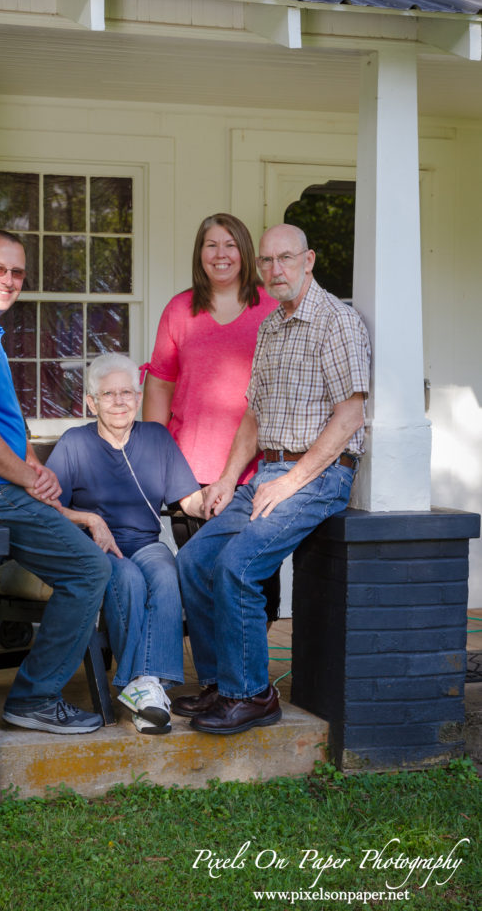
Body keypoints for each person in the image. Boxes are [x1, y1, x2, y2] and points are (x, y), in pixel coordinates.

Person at [174, 223, 371, 736]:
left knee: (238, 564)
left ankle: (253, 696)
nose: (273, 270)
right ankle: (222, 684)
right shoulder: (271, 326)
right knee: (196, 560)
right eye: (265, 261)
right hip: (268, 470)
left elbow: (350, 417)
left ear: (309, 260)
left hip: (320, 475)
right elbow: (253, 417)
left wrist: (290, 483)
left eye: (285, 258)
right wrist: (226, 480)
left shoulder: (337, 322)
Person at [0, 229, 111, 735]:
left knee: (84, 545)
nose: (9, 280)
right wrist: (28, 481)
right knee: (89, 571)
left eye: (17, 273)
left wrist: (34, 469)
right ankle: (34, 698)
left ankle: (38, 693)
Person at [46, 354, 204, 735]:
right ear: (91, 402)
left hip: (145, 541)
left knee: (166, 572)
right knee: (129, 579)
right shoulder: (75, 444)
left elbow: (189, 500)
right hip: (96, 549)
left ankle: (147, 689)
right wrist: (90, 519)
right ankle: (146, 692)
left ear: (138, 396)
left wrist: (221, 501)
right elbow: (47, 506)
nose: (119, 401)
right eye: (108, 394)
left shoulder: (156, 437)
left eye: (127, 392)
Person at [142, 212, 280, 618]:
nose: (220, 255)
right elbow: (161, 383)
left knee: (255, 586)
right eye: (211, 245)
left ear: (245, 252)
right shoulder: (180, 309)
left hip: (255, 472)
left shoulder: (271, 309)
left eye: (230, 245)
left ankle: (243, 674)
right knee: (201, 581)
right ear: (199, 253)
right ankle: (216, 678)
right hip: (191, 472)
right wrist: (157, 460)